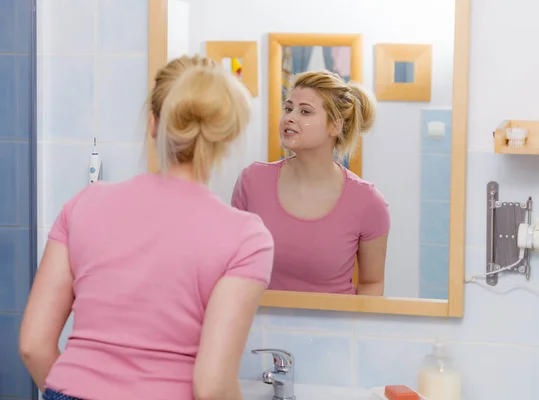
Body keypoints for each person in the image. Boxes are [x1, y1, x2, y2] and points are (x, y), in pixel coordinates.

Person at [19, 55, 274, 400]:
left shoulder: (85, 204)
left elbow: (33, 345)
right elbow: (212, 386)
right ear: (227, 136)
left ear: (155, 123)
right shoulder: (246, 237)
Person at [231, 70, 390, 296]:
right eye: (288, 108)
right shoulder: (252, 181)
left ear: (335, 126)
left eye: (305, 111)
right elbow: (234, 267)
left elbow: (372, 283)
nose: (289, 117)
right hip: (260, 328)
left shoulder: (368, 202)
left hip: (336, 329)